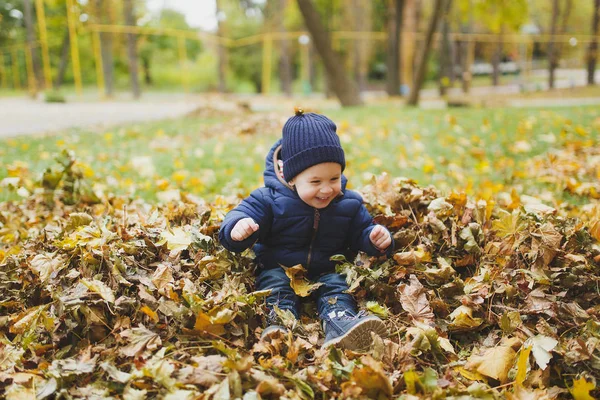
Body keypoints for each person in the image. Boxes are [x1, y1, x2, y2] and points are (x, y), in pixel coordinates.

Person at [218, 108, 393, 351]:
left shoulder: (348, 202)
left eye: (334, 178)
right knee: (275, 285)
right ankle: (280, 324)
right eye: (315, 182)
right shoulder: (269, 199)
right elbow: (241, 214)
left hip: (326, 269)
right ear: (291, 177)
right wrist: (237, 229)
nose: (326, 190)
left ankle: (340, 324)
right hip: (281, 266)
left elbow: (362, 230)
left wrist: (375, 238)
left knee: (337, 287)